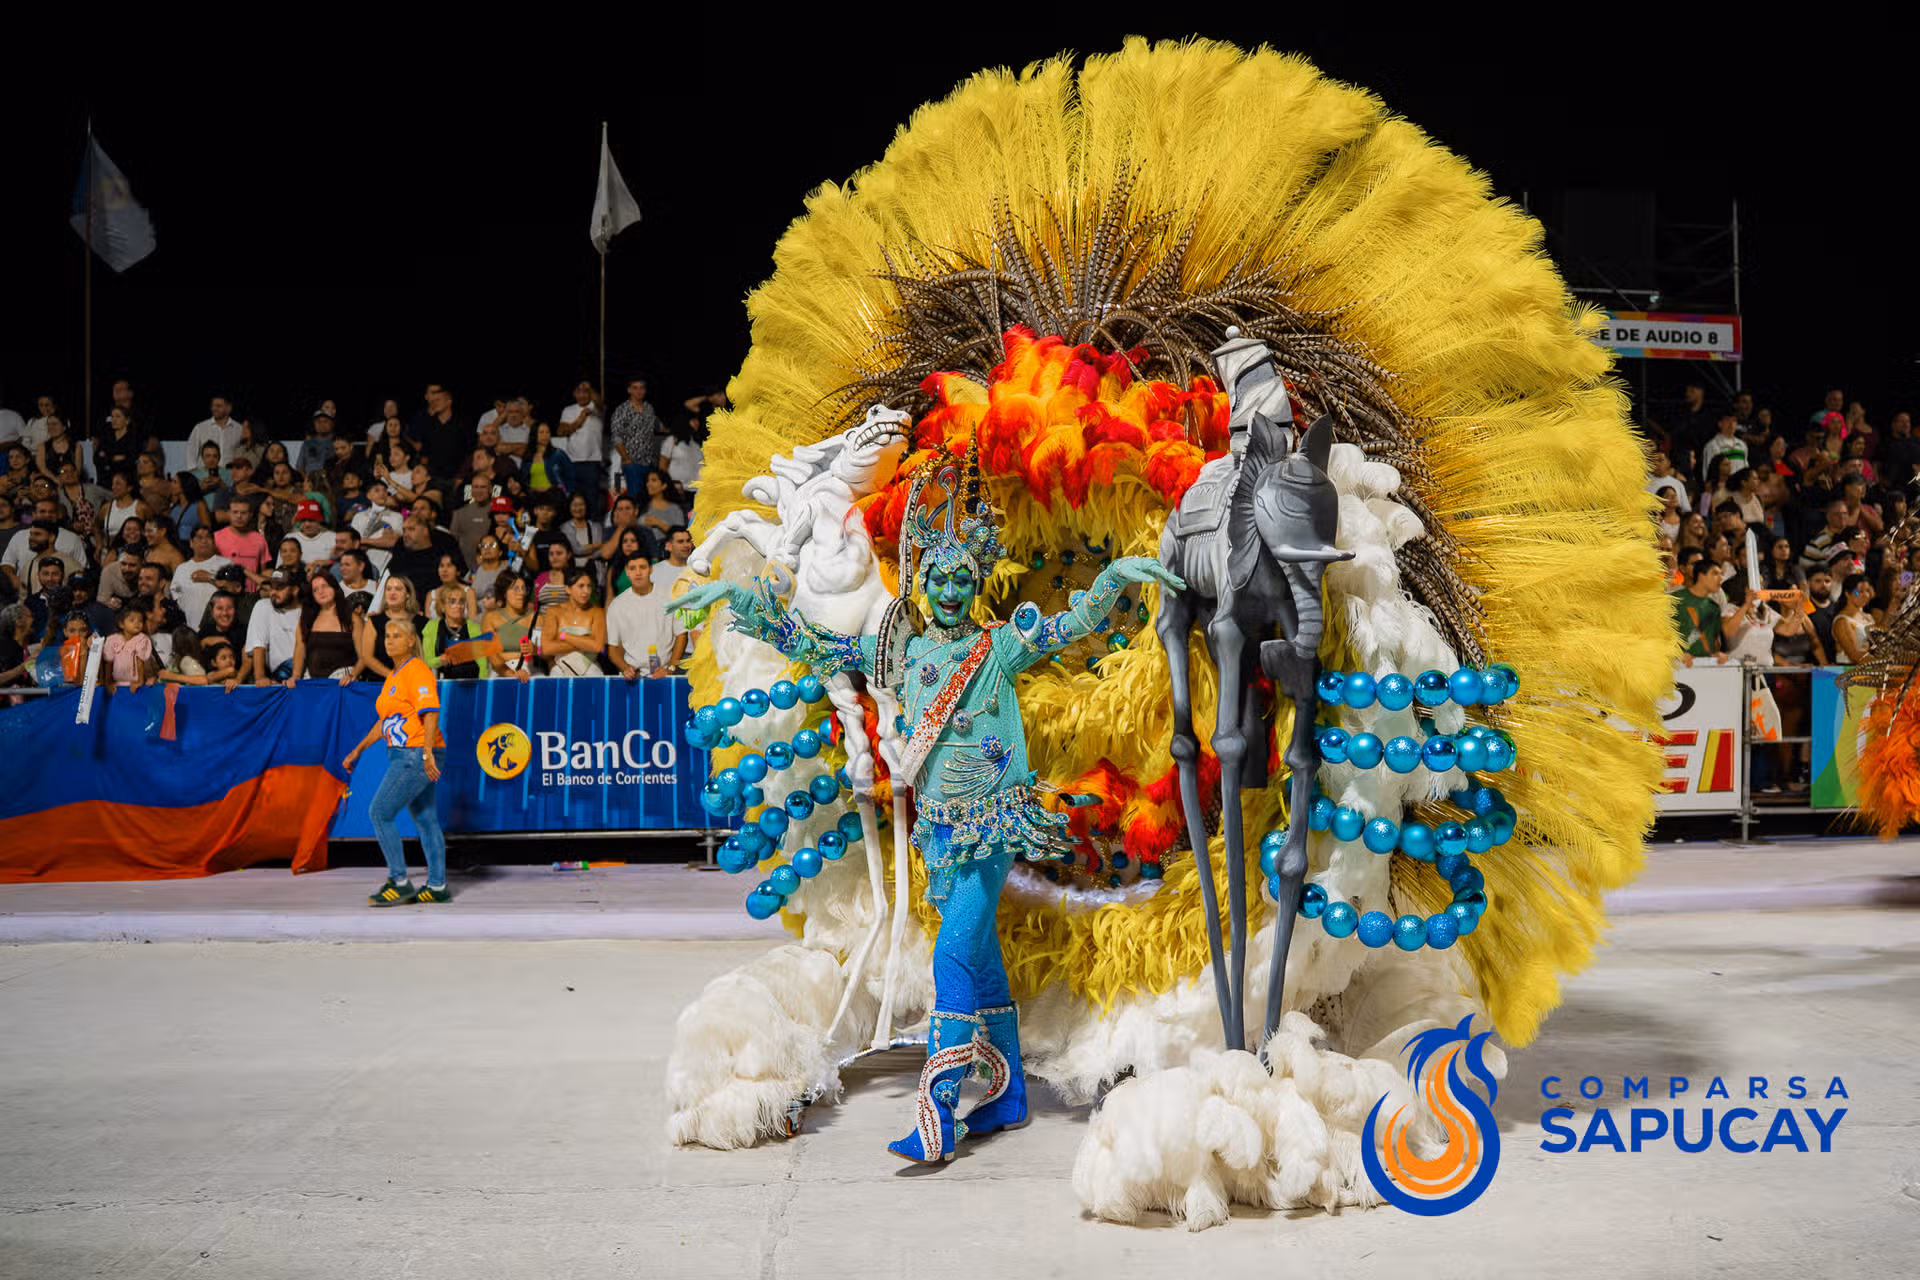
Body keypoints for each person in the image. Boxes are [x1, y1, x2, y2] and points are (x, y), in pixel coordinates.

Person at [676, 460, 1177, 1163]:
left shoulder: (996, 647)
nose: (947, 589)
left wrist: (1114, 578)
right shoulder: (901, 655)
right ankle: (1008, 1094)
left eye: (960, 579)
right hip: (939, 830)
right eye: (937, 578)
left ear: (975, 583)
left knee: (952, 956)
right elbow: (816, 645)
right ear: (922, 584)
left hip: (993, 824)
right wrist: (744, 602)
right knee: (979, 956)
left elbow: (1067, 626)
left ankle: (937, 1112)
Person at [341, 615, 451, 906]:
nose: (389, 641)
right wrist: (358, 749)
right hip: (410, 752)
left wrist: (427, 753)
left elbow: (431, 711)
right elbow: (385, 721)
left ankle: (400, 882)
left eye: (396, 636)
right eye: (387, 636)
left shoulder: (417, 670)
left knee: (379, 812)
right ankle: (437, 886)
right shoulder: (394, 675)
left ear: (411, 640)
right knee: (426, 819)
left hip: (416, 753)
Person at [605, 553, 686, 678]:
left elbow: (682, 635)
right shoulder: (617, 605)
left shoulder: (670, 596)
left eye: (642, 567)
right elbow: (613, 648)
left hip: (664, 675)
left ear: (651, 569)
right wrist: (625, 668)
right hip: (633, 678)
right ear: (627, 572)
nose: (638, 573)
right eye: (632, 568)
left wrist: (670, 668)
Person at [289, 569, 360, 684]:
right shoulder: (306, 619)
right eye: (315, 590)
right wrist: (295, 676)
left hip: (343, 680)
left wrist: (353, 674)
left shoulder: (352, 619)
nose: (321, 592)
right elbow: (299, 650)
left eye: (324, 586)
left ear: (334, 587)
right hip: (312, 680)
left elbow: (364, 656)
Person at [354, 576, 426, 682]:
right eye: (388, 589)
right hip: (380, 683)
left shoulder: (422, 622)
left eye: (398, 589)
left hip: (413, 681)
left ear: (408, 594)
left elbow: (425, 656)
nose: (392, 593)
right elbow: (367, 657)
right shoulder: (374, 621)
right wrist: (393, 676)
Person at [539, 567, 604, 676]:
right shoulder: (554, 611)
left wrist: (564, 636)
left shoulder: (597, 612)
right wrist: (586, 642)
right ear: (568, 589)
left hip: (590, 668)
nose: (586, 591)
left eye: (589, 586)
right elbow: (546, 648)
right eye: (581, 586)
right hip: (561, 668)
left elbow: (598, 646)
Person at [242, 568, 303, 685]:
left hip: (306, 674)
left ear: (295, 590)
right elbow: (258, 645)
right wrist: (260, 677)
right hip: (280, 676)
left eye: (279, 588)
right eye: (271, 588)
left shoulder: (308, 611)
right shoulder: (263, 606)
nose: (273, 593)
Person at [555, 381, 605, 511]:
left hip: (592, 462)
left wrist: (590, 388)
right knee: (573, 498)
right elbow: (560, 432)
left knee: (591, 499)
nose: (582, 395)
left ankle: (591, 523)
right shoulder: (568, 410)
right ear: (574, 394)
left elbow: (599, 402)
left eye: (586, 392)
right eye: (579, 392)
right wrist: (579, 421)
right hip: (572, 461)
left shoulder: (595, 408)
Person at [611, 376, 662, 498]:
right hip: (633, 463)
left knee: (649, 498)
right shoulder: (622, 410)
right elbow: (616, 437)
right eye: (635, 388)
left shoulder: (649, 408)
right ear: (629, 390)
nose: (639, 391)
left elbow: (658, 427)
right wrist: (627, 459)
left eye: (641, 388)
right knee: (636, 497)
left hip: (649, 463)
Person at [482, 571, 538, 680]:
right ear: (504, 592)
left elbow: (548, 651)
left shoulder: (534, 617)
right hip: (501, 673)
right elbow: (492, 656)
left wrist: (536, 649)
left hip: (528, 671)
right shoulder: (491, 618)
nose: (521, 593)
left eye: (523, 588)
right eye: (516, 588)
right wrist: (512, 675)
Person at [422, 590, 488, 680]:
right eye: (452, 602)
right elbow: (428, 661)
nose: (458, 606)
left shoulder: (474, 628)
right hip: (443, 681)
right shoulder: (431, 627)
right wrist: (440, 660)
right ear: (442, 606)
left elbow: (483, 663)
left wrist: (483, 684)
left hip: (472, 681)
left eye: (461, 602)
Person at [1672, 558, 1723, 660]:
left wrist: (1716, 656)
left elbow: (1715, 641)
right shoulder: (1676, 599)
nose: (1720, 578)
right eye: (1715, 573)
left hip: (1706, 665)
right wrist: (1677, 654)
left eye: (1721, 574)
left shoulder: (1714, 607)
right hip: (1679, 664)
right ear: (1701, 576)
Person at [215, 497, 272, 582]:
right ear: (229, 513)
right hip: (225, 588)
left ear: (250, 515)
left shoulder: (259, 539)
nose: (239, 516)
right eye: (235, 512)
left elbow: (264, 573)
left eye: (243, 513)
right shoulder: (216, 537)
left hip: (252, 589)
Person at [522, 420, 575, 507]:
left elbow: (570, 476)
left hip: (553, 497)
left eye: (547, 432)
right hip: (533, 498)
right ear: (534, 435)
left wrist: (567, 495)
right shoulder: (528, 457)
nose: (545, 436)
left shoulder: (558, 454)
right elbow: (524, 479)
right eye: (541, 432)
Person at [102, 604, 155, 691]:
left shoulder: (142, 639)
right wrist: (108, 682)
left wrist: (140, 682)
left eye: (140, 621)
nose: (137, 623)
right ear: (121, 624)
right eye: (132, 620)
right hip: (117, 683)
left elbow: (140, 662)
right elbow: (109, 663)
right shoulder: (112, 640)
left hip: (134, 683)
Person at [1832, 573, 1874, 664]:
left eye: (1867, 591)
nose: (1865, 595)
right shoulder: (1842, 621)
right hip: (1848, 668)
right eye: (1859, 592)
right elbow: (1854, 655)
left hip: (1869, 667)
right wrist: (1884, 662)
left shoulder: (1868, 617)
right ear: (1847, 594)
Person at [637, 471, 685, 550]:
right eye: (648, 481)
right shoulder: (641, 506)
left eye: (654, 480)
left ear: (664, 485)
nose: (649, 484)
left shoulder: (675, 509)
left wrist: (659, 523)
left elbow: (681, 534)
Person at [424, 552, 476, 621]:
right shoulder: (431, 595)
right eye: (441, 566)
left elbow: (473, 621)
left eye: (449, 566)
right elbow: (427, 623)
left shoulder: (469, 592)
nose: (444, 570)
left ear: (458, 571)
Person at [289, 500, 334, 566]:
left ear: (319, 520)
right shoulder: (289, 538)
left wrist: (329, 562)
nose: (307, 524)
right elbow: (280, 567)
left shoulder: (333, 537)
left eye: (311, 520)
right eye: (303, 520)